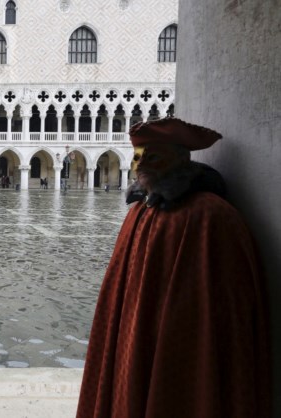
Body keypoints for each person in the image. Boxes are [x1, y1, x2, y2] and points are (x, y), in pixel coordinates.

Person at [76, 117, 271, 418]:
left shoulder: (210, 216)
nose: (141, 166)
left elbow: (225, 306)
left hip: (183, 346)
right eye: (137, 158)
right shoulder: (140, 213)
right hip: (137, 338)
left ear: (179, 159)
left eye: (152, 157)